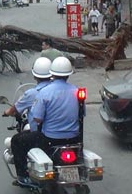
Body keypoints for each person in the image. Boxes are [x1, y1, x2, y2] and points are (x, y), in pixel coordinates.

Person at [11, 56, 80, 185]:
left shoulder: (44, 93)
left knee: (17, 140)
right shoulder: (76, 91)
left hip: (49, 139)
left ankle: (23, 177)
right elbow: (81, 115)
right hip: (74, 139)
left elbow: (37, 119)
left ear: (52, 73)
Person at [4, 57, 51, 128]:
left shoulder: (31, 93)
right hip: (60, 131)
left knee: (16, 139)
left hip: (41, 134)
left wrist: (6, 112)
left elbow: (13, 110)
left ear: (35, 76)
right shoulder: (59, 91)